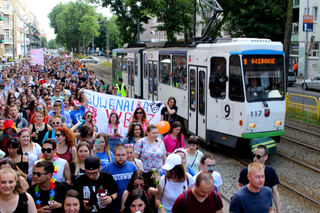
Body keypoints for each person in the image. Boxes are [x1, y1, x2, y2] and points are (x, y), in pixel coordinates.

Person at [236, 144, 281, 213]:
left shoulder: (271, 172)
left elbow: (275, 192)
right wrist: (245, 196)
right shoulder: (246, 170)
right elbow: (239, 185)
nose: (255, 159)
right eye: (254, 155)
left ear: (266, 157)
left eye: (258, 156)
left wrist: (279, 211)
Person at [102, 144, 138, 212]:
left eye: (123, 155)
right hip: (112, 206)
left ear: (127, 155)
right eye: (118, 155)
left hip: (130, 204)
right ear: (114, 155)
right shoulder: (106, 169)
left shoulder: (133, 167)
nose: (121, 157)